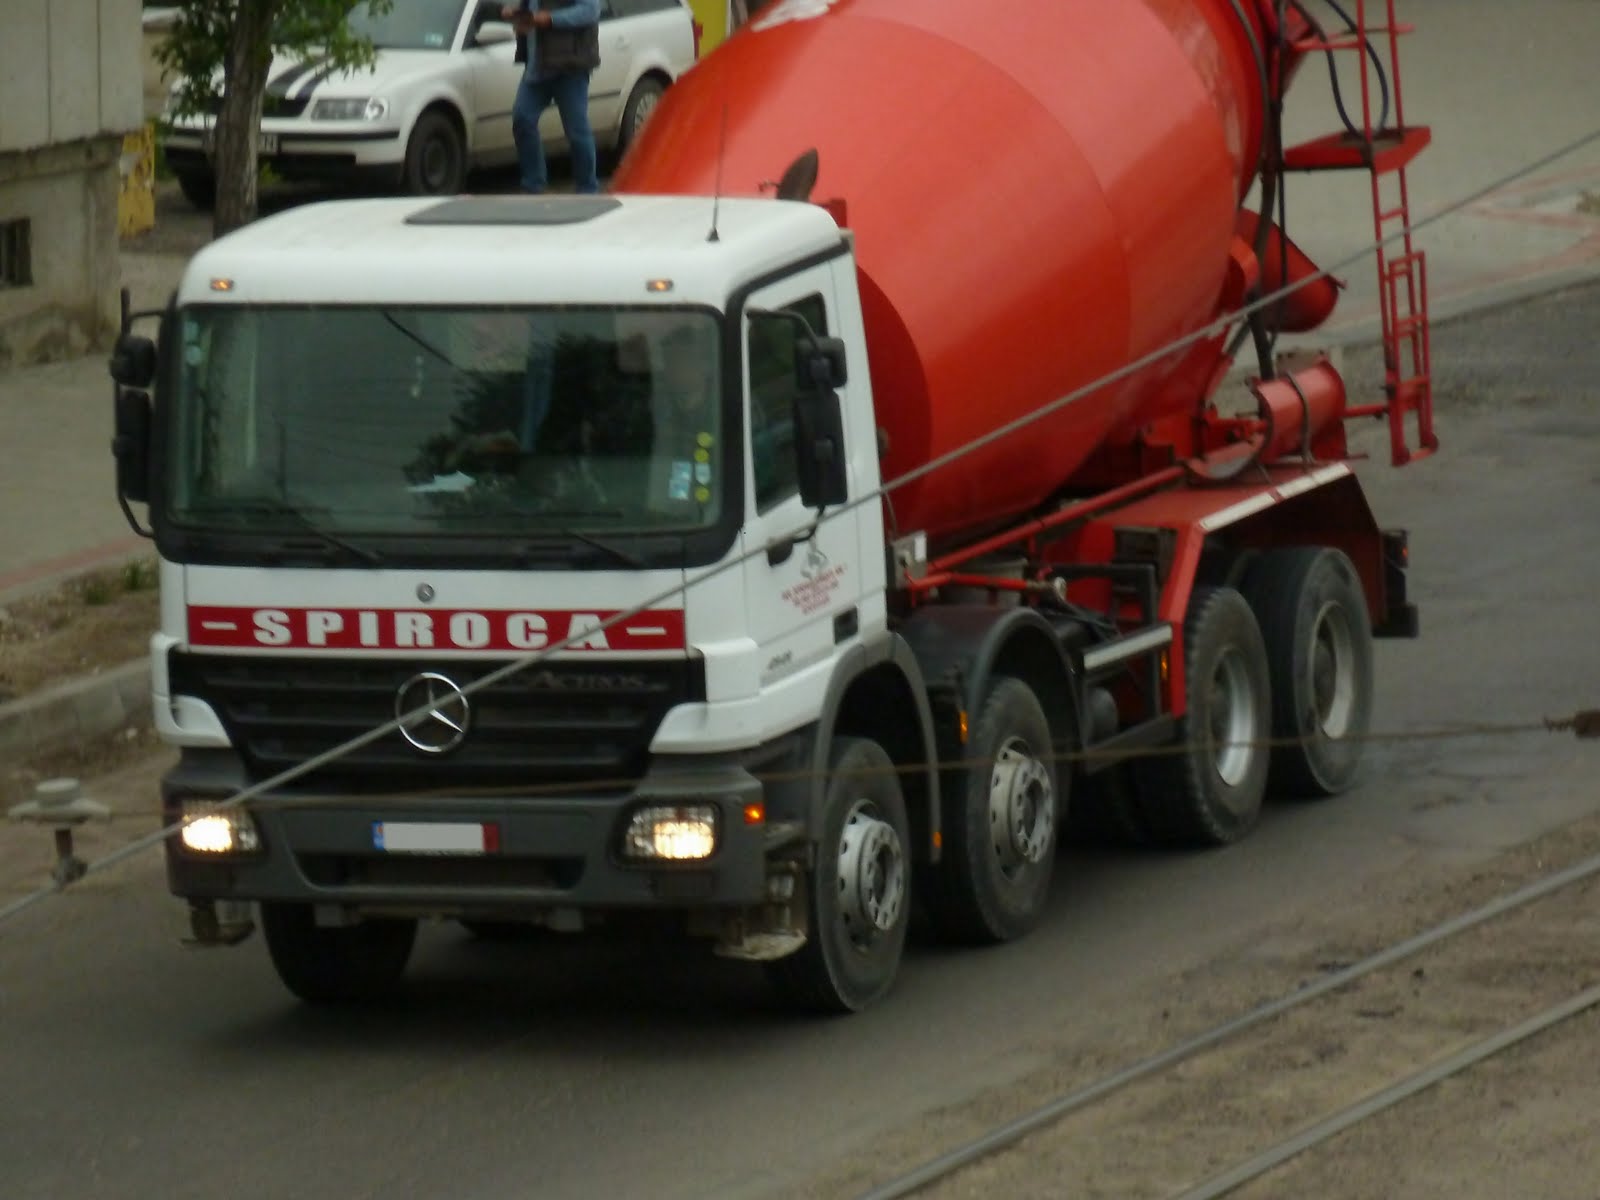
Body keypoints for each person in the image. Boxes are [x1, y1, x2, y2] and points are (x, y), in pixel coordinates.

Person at [503, 0, 602, 195]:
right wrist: (517, 13)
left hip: (569, 66)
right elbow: (531, 11)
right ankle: (534, 184)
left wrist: (551, 19)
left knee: (576, 131)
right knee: (523, 118)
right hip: (537, 65)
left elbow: (591, 10)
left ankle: (587, 189)